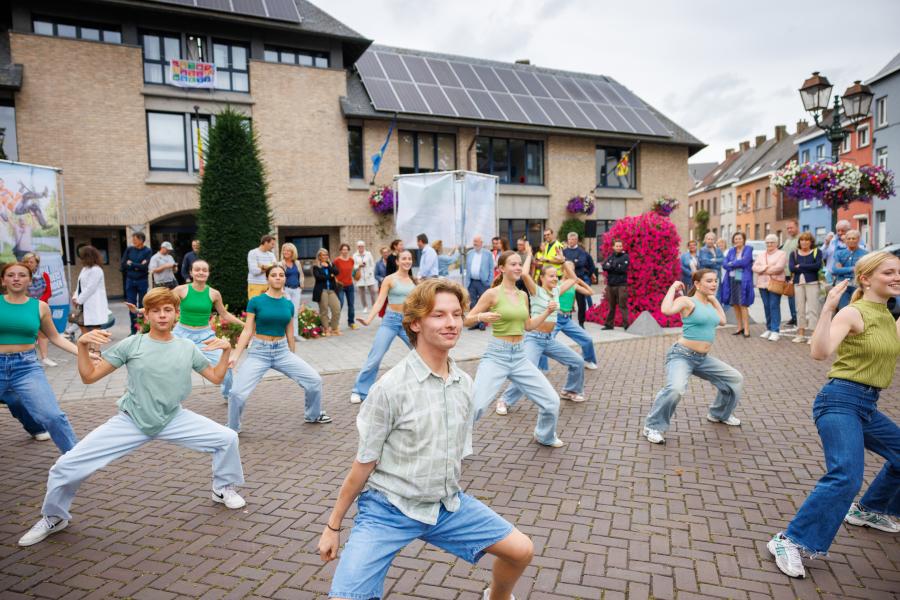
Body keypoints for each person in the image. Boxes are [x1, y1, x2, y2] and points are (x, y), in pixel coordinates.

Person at [319, 279, 534, 600]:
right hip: (388, 509)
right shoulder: (390, 388)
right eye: (439, 315)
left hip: (445, 504)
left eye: (457, 315)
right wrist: (333, 526)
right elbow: (364, 463)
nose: (451, 323)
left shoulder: (464, 384)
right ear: (416, 323)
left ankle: (497, 597)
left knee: (521, 550)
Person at [17, 287, 246, 547]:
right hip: (132, 421)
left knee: (227, 438)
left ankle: (222, 488)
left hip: (173, 418)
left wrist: (226, 351)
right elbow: (89, 377)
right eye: (155, 311)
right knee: (65, 467)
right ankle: (55, 517)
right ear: (146, 315)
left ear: (176, 314)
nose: (162, 315)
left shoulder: (187, 347)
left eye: (167, 310)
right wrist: (81, 345)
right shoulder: (132, 344)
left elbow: (216, 378)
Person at [767, 252, 900, 579]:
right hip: (839, 400)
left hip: (866, 404)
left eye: (899, 272)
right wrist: (828, 309)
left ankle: (871, 510)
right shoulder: (854, 313)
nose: (897, 277)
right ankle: (790, 540)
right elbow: (819, 352)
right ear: (866, 279)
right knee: (846, 475)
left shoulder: (886, 315)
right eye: (889, 272)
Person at [465, 251, 565, 448]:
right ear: (501, 268)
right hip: (496, 356)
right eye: (513, 264)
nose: (518, 267)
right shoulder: (491, 294)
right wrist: (480, 317)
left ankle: (545, 435)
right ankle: (456, 445)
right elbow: (465, 319)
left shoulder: (522, 295)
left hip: (519, 356)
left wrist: (547, 311)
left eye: (520, 264)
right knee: (476, 407)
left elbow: (528, 325)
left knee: (551, 401)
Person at [643, 270, 743, 444]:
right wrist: (673, 288)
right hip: (682, 355)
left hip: (702, 358)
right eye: (709, 281)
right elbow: (666, 310)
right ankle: (652, 426)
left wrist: (713, 299)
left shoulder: (710, 303)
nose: (714, 284)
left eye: (715, 281)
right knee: (675, 389)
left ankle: (718, 414)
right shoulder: (687, 302)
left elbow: (722, 321)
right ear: (697, 284)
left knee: (735, 378)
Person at [228, 264, 330, 432]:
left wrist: (293, 356)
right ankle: (232, 428)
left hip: (282, 352)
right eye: (274, 274)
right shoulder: (256, 301)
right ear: (267, 278)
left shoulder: (288, 304)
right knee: (237, 393)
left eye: (281, 275)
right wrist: (235, 356)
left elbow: (290, 334)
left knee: (314, 380)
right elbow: (247, 330)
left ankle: (313, 415)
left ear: (284, 278)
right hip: (259, 352)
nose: (277, 277)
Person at [496, 248, 588, 415]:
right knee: (527, 370)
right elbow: (524, 275)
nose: (555, 278)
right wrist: (530, 255)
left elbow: (574, 279)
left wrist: (562, 262)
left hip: (549, 339)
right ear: (542, 278)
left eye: (556, 276)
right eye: (551, 276)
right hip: (534, 338)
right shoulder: (535, 291)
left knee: (577, 362)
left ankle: (570, 390)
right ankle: (504, 400)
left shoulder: (556, 291)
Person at [0, 262, 79, 452]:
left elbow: (55, 337)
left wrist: (83, 353)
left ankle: (75, 460)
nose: (16, 278)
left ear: (29, 280)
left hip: (26, 367)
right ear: (3, 281)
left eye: (21, 275)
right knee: (16, 402)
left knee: (52, 416)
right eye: (11, 275)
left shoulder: (40, 307)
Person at [349, 250, 416, 404]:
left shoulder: (413, 281)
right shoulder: (389, 279)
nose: (407, 261)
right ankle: (359, 390)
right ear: (398, 261)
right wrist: (368, 320)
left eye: (409, 259)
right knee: (375, 356)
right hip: (391, 321)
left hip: (407, 322)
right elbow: (379, 302)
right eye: (404, 259)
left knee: (421, 352)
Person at [172, 259, 244, 401]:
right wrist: (140, 310)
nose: (201, 272)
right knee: (169, 367)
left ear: (208, 273)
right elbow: (162, 302)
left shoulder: (214, 294)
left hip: (205, 337)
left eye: (204, 270)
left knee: (227, 366)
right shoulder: (181, 290)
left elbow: (224, 314)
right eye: (197, 269)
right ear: (191, 272)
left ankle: (227, 393)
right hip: (181, 335)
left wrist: (244, 324)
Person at [550, 261, 598, 370]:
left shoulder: (574, 285)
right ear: (563, 270)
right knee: (545, 340)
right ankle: (540, 366)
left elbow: (591, 292)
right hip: (555, 318)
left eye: (572, 270)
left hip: (567, 319)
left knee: (587, 339)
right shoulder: (556, 284)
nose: (571, 272)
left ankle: (588, 360)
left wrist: (580, 281)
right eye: (568, 269)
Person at [788, 232, 823, 344]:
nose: (804, 242)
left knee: (813, 309)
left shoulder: (817, 252)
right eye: (802, 240)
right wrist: (807, 267)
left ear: (811, 242)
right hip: (798, 284)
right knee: (800, 309)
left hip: (812, 283)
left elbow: (817, 266)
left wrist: (801, 266)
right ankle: (801, 334)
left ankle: (814, 335)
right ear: (799, 242)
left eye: (807, 240)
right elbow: (792, 268)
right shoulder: (793, 253)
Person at [752, 234, 788, 341]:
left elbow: (779, 268)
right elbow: (754, 267)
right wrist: (767, 267)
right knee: (766, 306)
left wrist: (762, 269)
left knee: (774, 306)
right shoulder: (761, 255)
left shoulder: (782, 254)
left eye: (772, 242)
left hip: (775, 284)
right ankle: (768, 328)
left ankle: (775, 330)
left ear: (777, 243)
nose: (769, 244)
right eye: (767, 242)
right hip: (762, 284)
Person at [23, 252, 55, 367]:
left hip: (41, 307)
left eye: (31, 262)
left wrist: (38, 303)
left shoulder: (44, 275)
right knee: (28, 333)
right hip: (25, 307)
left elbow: (49, 292)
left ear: (37, 264)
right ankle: (30, 358)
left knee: (43, 333)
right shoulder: (22, 275)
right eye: (26, 261)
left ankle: (45, 358)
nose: (28, 264)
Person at [719, 232, 754, 337]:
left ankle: (747, 329)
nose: (737, 240)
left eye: (740, 238)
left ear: (743, 239)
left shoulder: (748, 249)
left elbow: (744, 262)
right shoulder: (731, 251)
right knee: (735, 304)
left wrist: (732, 264)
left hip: (743, 280)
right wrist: (733, 265)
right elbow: (724, 264)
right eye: (736, 239)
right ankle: (739, 327)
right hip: (731, 279)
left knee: (743, 304)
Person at [562, 232, 597, 327]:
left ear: (576, 240)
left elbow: (582, 263)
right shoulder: (564, 251)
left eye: (573, 239)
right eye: (569, 239)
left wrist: (588, 275)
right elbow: (562, 262)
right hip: (566, 279)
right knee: (567, 300)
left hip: (578, 279)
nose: (571, 241)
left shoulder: (582, 252)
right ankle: (567, 321)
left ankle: (581, 323)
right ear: (567, 240)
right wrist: (574, 262)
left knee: (581, 302)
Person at [120, 232, 152, 334]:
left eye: (135, 239)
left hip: (142, 281)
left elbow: (145, 267)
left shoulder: (148, 251)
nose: (133, 241)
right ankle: (133, 331)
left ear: (141, 240)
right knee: (131, 306)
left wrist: (132, 264)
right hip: (130, 281)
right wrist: (138, 265)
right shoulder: (129, 249)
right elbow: (123, 264)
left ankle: (143, 329)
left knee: (143, 306)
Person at [74, 245, 110, 336]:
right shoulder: (85, 269)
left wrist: (79, 300)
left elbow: (91, 288)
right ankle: (89, 348)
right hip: (84, 302)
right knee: (82, 324)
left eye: (82, 257)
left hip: (93, 302)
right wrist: (75, 297)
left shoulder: (96, 270)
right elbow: (79, 284)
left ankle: (96, 350)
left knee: (95, 327)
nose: (81, 259)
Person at [833, 230, 869, 310]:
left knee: (858, 309)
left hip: (858, 284)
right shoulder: (839, 253)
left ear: (858, 239)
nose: (851, 240)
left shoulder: (865, 254)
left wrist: (842, 268)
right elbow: (835, 270)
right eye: (848, 238)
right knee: (843, 309)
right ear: (845, 240)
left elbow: (865, 270)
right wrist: (853, 268)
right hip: (842, 284)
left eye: (853, 238)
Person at [465, 235, 494, 331]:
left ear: (481, 243)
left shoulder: (488, 254)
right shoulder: (469, 253)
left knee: (483, 303)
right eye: (474, 242)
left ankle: (482, 323)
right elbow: (467, 269)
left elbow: (491, 268)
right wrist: (467, 282)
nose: (475, 244)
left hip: (483, 282)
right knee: (473, 303)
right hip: (472, 282)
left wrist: (489, 281)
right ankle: (475, 322)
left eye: (476, 242)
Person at [601, 239, 629, 330]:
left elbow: (623, 269)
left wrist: (611, 266)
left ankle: (626, 325)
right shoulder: (610, 256)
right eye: (617, 246)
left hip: (621, 285)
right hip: (611, 285)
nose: (619, 248)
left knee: (622, 305)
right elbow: (604, 266)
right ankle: (609, 325)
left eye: (620, 246)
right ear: (613, 247)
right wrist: (615, 265)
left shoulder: (625, 257)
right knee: (611, 306)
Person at [312, 248, 342, 336]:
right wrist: (330, 276)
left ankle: (334, 328)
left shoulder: (331, 264)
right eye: (323, 255)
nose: (325, 256)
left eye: (326, 255)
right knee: (324, 310)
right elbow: (319, 278)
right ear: (319, 257)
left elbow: (336, 272)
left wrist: (328, 267)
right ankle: (326, 329)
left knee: (337, 309)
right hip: (322, 290)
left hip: (332, 290)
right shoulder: (316, 266)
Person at [280, 242, 304, 339]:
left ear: (292, 252)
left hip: (296, 289)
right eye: (284, 250)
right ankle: (286, 335)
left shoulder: (297, 263)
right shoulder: (280, 263)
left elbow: (301, 275)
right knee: (287, 312)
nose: (285, 252)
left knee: (294, 313)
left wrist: (301, 285)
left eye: (288, 250)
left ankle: (295, 335)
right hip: (286, 290)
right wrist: (282, 291)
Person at [334, 243, 357, 330]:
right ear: (340, 250)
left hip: (350, 285)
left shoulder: (351, 260)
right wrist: (336, 281)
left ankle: (351, 322)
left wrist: (357, 272)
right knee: (340, 304)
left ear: (348, 250)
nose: (345, 251)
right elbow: (333, 272)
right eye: (343, 249)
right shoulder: (336, 261)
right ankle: (335, 324)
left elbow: (353, 272)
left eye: (346, 249)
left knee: (351, 305)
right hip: (340, 285)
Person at [781, 221, 800, 328]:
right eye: (788, 228)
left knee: (796, 297)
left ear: (797, 227)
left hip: (795, 273)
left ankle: (798, 318)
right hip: (786, 273)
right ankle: (793, 317)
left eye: (791, 228)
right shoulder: (787, 240)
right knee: (790, 295)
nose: (789, 230)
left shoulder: (800, 240)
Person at [247, 235, 277, 300]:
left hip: (268, 285)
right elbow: (254, 271)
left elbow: (274, 269)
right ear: (266, 242)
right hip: (255, 284)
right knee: (254, 307)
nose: (273, 246)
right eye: (272, 244)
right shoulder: (253, 253)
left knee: (268, 307)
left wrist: (262, 266)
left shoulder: (271, 254)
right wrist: (269, 267)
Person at [354, 240, 377, 312]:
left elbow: (372, 264)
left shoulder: (368, 254)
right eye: (359, 246)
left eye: (362, 246)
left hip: (369, 275)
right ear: (357, 247)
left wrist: (371, 272)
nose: (361, 247)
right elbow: (353, 266)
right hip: (359, 276)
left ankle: (374, 306)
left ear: (364, 246)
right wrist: (358, 266)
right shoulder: (355, 255)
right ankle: (365, 307)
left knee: (373, 291)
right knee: (362, 293)